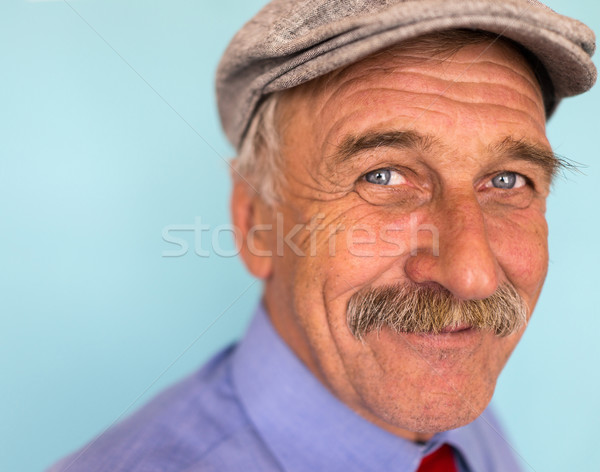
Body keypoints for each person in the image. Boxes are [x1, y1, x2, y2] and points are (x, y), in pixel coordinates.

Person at [48, 0, 596, 471]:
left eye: (508, 180)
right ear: (255, 222)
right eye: (381, 176)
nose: (471, 275)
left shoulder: (440, 384)